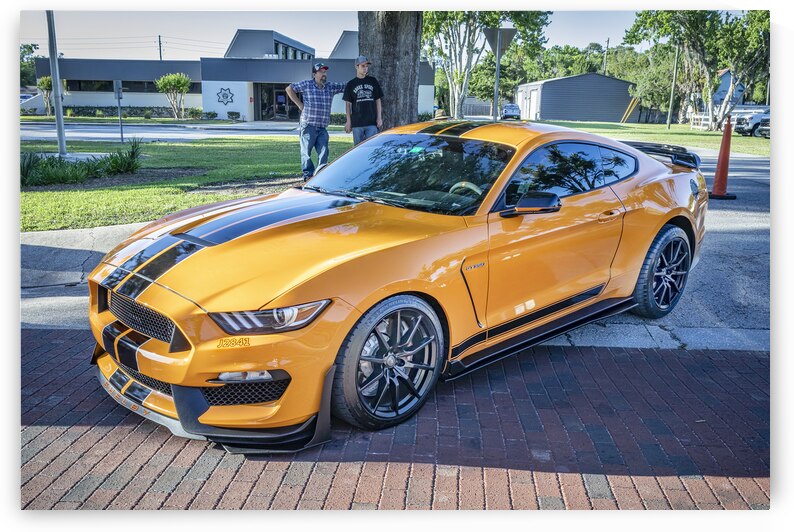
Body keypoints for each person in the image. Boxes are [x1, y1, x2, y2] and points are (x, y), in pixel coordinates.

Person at [286, 62, 346, 181]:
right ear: (314, 74)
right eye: (321, 72)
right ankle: (308, 175)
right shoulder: (307, 84)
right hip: (308, 124)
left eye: (325, 72)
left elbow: (346, 86)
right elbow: (289, 88)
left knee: (324, 152)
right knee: (306, 152)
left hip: (322, 127)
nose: (324, 74)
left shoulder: (330, 87)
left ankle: (320, 175)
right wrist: (300, 105)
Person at [343, 56, 384, 145]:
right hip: (357, 123)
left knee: (372, 147)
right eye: (363, 66)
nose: (365, 68)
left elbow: (378, 100)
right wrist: (348, 121)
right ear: (356, 67)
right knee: (358, 148)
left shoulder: (373, 81)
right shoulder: (351, 84)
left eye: (366, 66)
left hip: (372, 122)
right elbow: (347, 105)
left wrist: (379, 117)